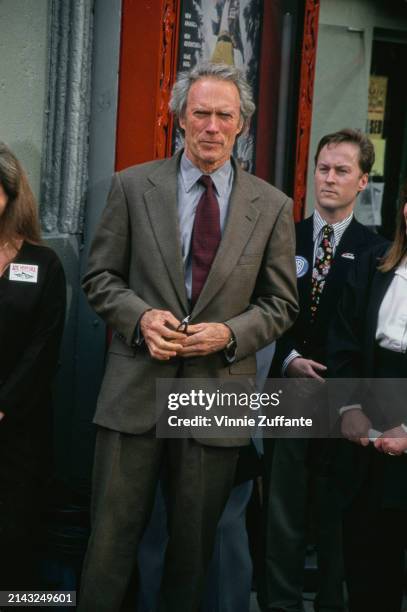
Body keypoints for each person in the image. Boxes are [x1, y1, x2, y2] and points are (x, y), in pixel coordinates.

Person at [78, 61, 298, 612]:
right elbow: (99, 277)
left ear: (242, 123)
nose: (212, 126)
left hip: (215, 391)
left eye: (225, 115)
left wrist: (228, 333)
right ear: (179, 119)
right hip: (134, 390)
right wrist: (139, 318)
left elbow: (280, 304)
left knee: (192, 555)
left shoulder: (272, 207)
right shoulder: (132, 186)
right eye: (200, 113)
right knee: (109, 546)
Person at [261, 129, 386, 612]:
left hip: (344, 404)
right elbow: (261, 307)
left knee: (335, 521)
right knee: (281, 515)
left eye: (341, 171)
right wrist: (287, 358)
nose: (328, 179)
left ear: (362, 182)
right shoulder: (282, 237)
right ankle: (279, 605)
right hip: (289, 393)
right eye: (322, 168)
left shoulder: (378, 252)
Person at [327, 183, 407, 612]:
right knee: (366, 559)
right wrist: (349, 407)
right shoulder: (372, 268)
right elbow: (343, 342)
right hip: (369, 424)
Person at [0, 142, 66, 589]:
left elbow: (44, 346)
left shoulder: (42, 263)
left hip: (19, 427)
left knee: (14, 537)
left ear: (9, 193)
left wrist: (4, 404)